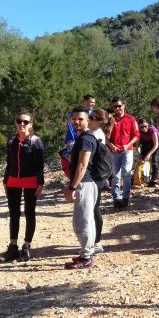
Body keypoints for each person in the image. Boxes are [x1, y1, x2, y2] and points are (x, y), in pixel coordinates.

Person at [1, 112, 45, 263]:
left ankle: (26, 246)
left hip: (31, 181)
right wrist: (5, 181)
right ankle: (13, 247)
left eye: (25, 122)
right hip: (13, 180)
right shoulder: (11, 141)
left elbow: (40, 164)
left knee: (29, 212)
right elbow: (8, 162)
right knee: (14, 213)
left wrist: (41, 183)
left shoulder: (35, 141)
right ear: (15, 123)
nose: (22, 124)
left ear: (31, 125)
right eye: (19, 121)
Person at [64, 107, 99, 269]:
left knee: (81, 222)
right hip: (87, 183)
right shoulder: (83, 138)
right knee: (88, 220)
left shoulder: (86, 139)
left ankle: (86, 258)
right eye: (74, 119)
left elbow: (83, 164)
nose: (77, 122)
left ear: (88, 120)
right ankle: (87, 253)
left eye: (81, 119)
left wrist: (72, 187)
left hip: (84, 183)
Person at [107, 97, 140, 209]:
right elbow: (105, 137)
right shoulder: (110, 120)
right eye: (115, 106)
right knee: (115, 176)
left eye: (119, 106)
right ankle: (116, 199)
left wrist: (128, 144)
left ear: (124, 106)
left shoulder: (131, 119)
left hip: (127, 150)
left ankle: (125, 198)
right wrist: (111, 145)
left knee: (126, 172)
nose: (117, 108)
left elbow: (136, 135)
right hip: (114, 151)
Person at [87, 108, 112, 254]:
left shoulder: (95, 135)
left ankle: (96, 242)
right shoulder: (95, 133)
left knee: (94, 208)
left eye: (91, 116)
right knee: (93, 208)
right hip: (97, 176)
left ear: (99, 121)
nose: (89, 118)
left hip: (95, 176)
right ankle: (95, 241)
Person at [60, 95, 97, 178]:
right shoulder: (75, 113)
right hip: (73, 139)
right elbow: (68, 125)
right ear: (85, 101)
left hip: (87, 138)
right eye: (91, 102)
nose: (93, 104)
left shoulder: (93, 114)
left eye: (94, 103)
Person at [137, 117, 159, 187]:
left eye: (145, 126)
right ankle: (145, 178)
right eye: (142, 127)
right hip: (146, 141)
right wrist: (139, 154)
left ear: (148, 125)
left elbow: (156, 145)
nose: (144, 128)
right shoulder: (138, 131)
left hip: (156, 142)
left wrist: (149, 154)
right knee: (143, 159)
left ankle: (154, 179)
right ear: (139, 127)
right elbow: (137, 145)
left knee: (155, 159)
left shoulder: (152, 130)